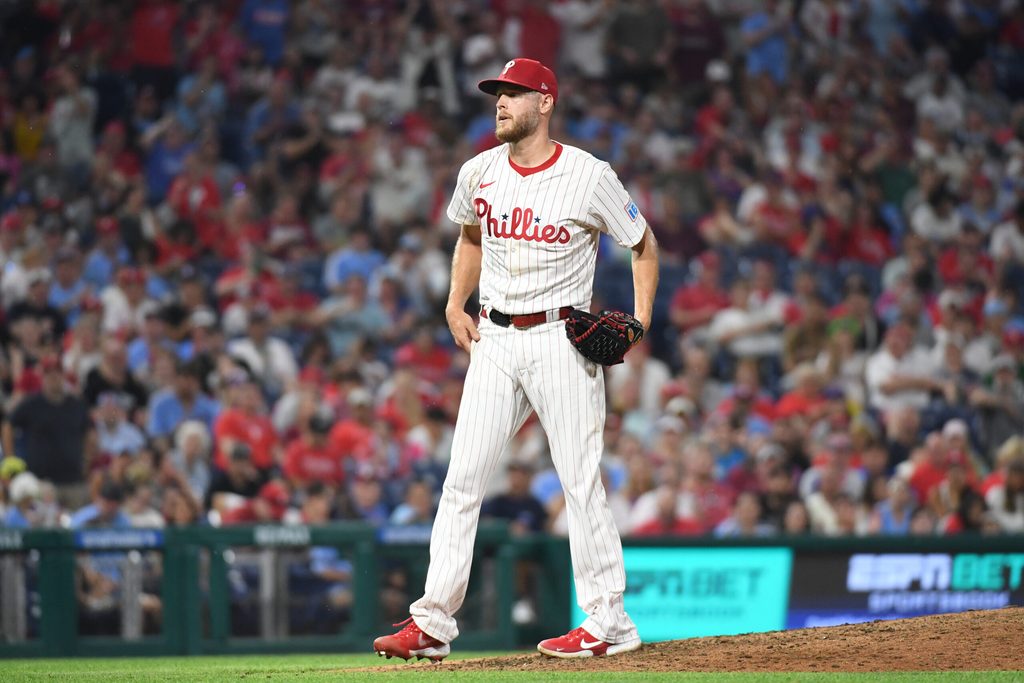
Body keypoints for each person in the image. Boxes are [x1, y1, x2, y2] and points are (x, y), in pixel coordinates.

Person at [373, 58, 658, 661]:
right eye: (497, 94)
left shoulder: (588, 174)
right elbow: (470, 235)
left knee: (580, 482)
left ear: (545, 102)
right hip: (495, 341)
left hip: (562, 339)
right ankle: (431, 623)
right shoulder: (478, 171)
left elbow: (642, 243)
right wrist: (455, 301)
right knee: (462, 480)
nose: (500, 103)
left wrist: (641, 318)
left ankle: (609, 622)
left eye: (513, 94)